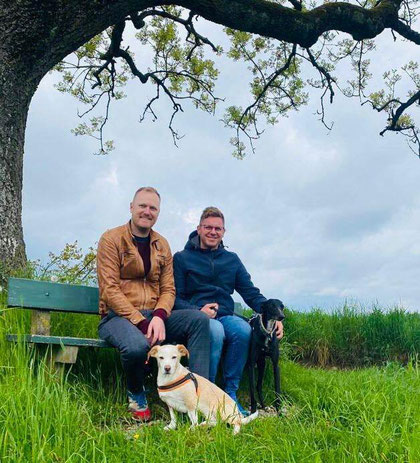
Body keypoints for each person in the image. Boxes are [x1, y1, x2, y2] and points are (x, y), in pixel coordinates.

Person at [97, 187, 210, 422]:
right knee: (137, 346)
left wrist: (159, 316)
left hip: (154, 316)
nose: (147, 212)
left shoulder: (162, 244)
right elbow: (109, 289)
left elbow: (169, 289)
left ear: (157, 213)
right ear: (131, 207)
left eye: (153, 208)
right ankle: (136, 393)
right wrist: (141, 322)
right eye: (142, 206)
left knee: (199, 320)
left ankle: (198, 393)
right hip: (118, 317)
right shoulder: (111, 239)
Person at [173, 206, 284, 415]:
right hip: (196, 317)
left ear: (223, 232)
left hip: (225, 314)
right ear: (198, 228)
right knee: (214, 330)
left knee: (243, 330)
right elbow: (174, 297)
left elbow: (251, 293)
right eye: (208, 227)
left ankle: (230, 394)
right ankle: (209, 394)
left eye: (218, 228)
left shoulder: (232, 260)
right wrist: (198, 310)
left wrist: (273, 317)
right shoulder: (181, 258)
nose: (213, 232)